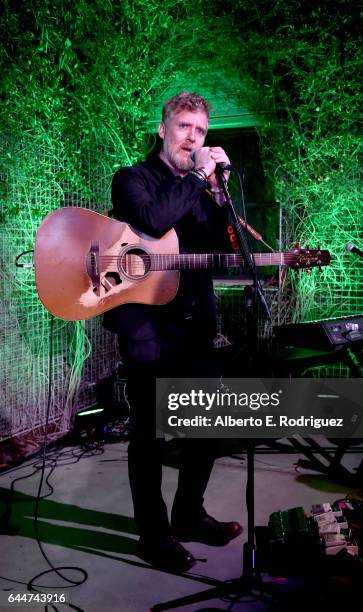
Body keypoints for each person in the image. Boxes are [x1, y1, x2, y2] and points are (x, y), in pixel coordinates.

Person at [103, 92, 243, 572]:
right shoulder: (132, 179)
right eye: (184, 127)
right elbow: (152, 220)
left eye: (200, 131)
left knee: (206, 424)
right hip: (146, 325)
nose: (192, 138)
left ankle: (188, 514)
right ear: (163, 129)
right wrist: (201, 176)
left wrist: (219, 195)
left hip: (194, 322)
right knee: (150, 435)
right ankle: (153, 535)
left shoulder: (204, 187)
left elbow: (217, 243)